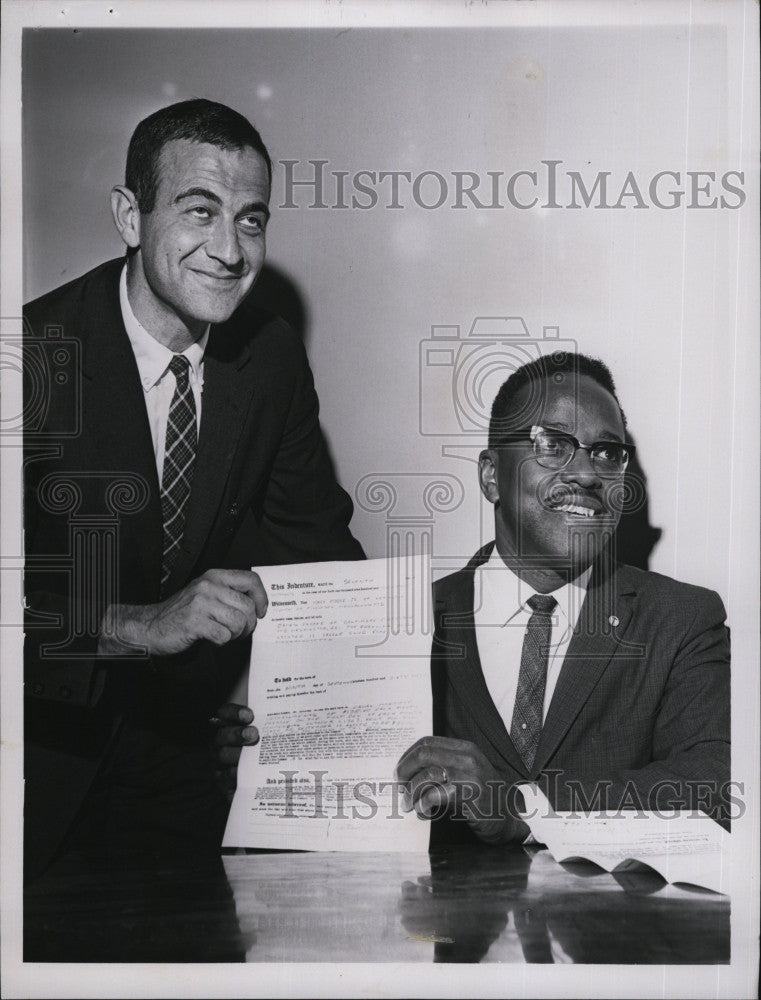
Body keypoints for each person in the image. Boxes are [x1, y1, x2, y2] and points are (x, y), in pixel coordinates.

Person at [23, 99, 364, 878]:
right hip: (31, 753)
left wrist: (380, 692)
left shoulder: (269, 355)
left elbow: (316, 553)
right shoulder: (33, 357)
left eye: (250, 220)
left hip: (182, 759)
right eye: (199, 211)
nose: (228, 249)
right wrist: (142, 626)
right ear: (129, 216)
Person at [396, 352, 731, 844]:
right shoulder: (409, 617)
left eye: (606, 453)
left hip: (609, 921)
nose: (588, 474)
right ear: (491, 475)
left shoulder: (682, 621)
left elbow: (714, 787)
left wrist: (527, 810)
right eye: (553, 445)